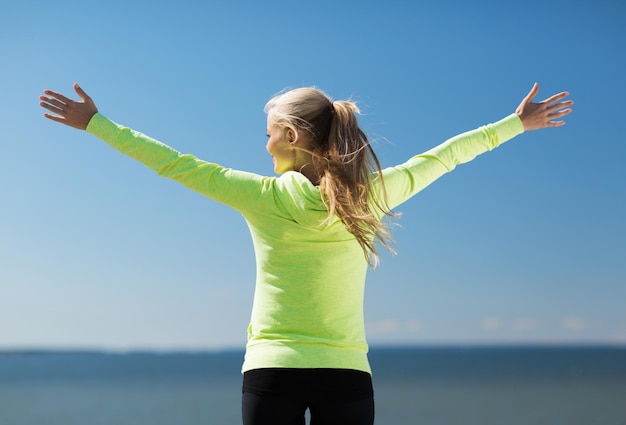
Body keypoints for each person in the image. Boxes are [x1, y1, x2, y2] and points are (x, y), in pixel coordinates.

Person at [39, 82, 573, 425]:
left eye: (269, 133)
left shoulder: (261, 196)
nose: (264, 143)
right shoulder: (373, 195)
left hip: (272, 371)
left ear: (290, 136)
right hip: (347, 372)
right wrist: (515, 124)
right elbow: (447, 156)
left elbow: (175, 163)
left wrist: (97, 124)